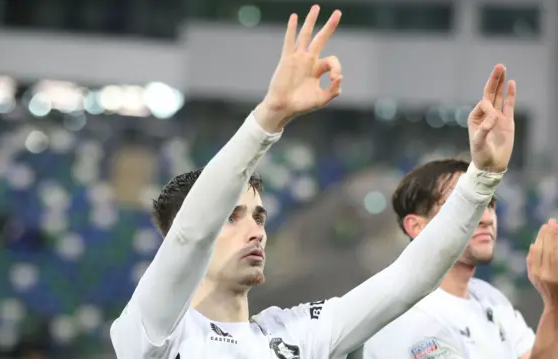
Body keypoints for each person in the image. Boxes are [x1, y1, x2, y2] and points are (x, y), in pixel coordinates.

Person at [110, 5, 516, 359]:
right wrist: (268, 117)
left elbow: (406, 281)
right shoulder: (154, 334)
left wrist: (482, 179)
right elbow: (191, 234)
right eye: (232, 217)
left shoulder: (296, 336)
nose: (255, 230)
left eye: (259, 216)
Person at [359, 157, 558, 359]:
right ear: (417, 226)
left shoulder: (490, 298)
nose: (485, 218)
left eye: (489, 204)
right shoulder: (402, 313)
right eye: (465, 206)